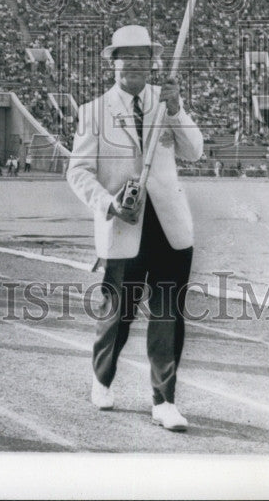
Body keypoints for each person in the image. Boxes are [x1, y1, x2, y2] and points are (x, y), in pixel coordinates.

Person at [67, 24, 203, 432]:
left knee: (168, 317)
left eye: (143, 56)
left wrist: (177, 110)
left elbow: (194, 151)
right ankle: (102, 378)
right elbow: (78, 172)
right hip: (124, 227)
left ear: (152, 62)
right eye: (126, 56)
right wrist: (110, 203)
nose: (135, 64)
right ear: (113, 62)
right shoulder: (93, 111)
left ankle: (164, 400)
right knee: (118, 316)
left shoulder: (166, 102)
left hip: (169, 228)